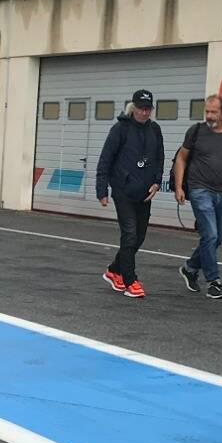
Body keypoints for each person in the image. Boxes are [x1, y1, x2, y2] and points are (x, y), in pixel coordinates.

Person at [172, 93, 222, 300]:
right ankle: (213, 281)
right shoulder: (196, 131)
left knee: (218, 237)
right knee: (210, 235)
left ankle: (190, 268)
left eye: (213, 112)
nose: (209, 115)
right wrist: (179, 187)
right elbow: (181, 157)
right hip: (199, 189)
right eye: (207, 111)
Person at [95, 88, 164, 298]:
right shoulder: (120, 129)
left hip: (144, 192)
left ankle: (114, 270)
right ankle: (130, 280)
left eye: (148, 109)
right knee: (130, 234)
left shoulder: (155, 130)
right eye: (141, 108)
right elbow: (105, 158)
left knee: (139, 237)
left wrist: (157, 182)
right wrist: (102, 190)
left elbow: (159, 158)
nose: (144, 113)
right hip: (123, 190)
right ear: (133, 107)